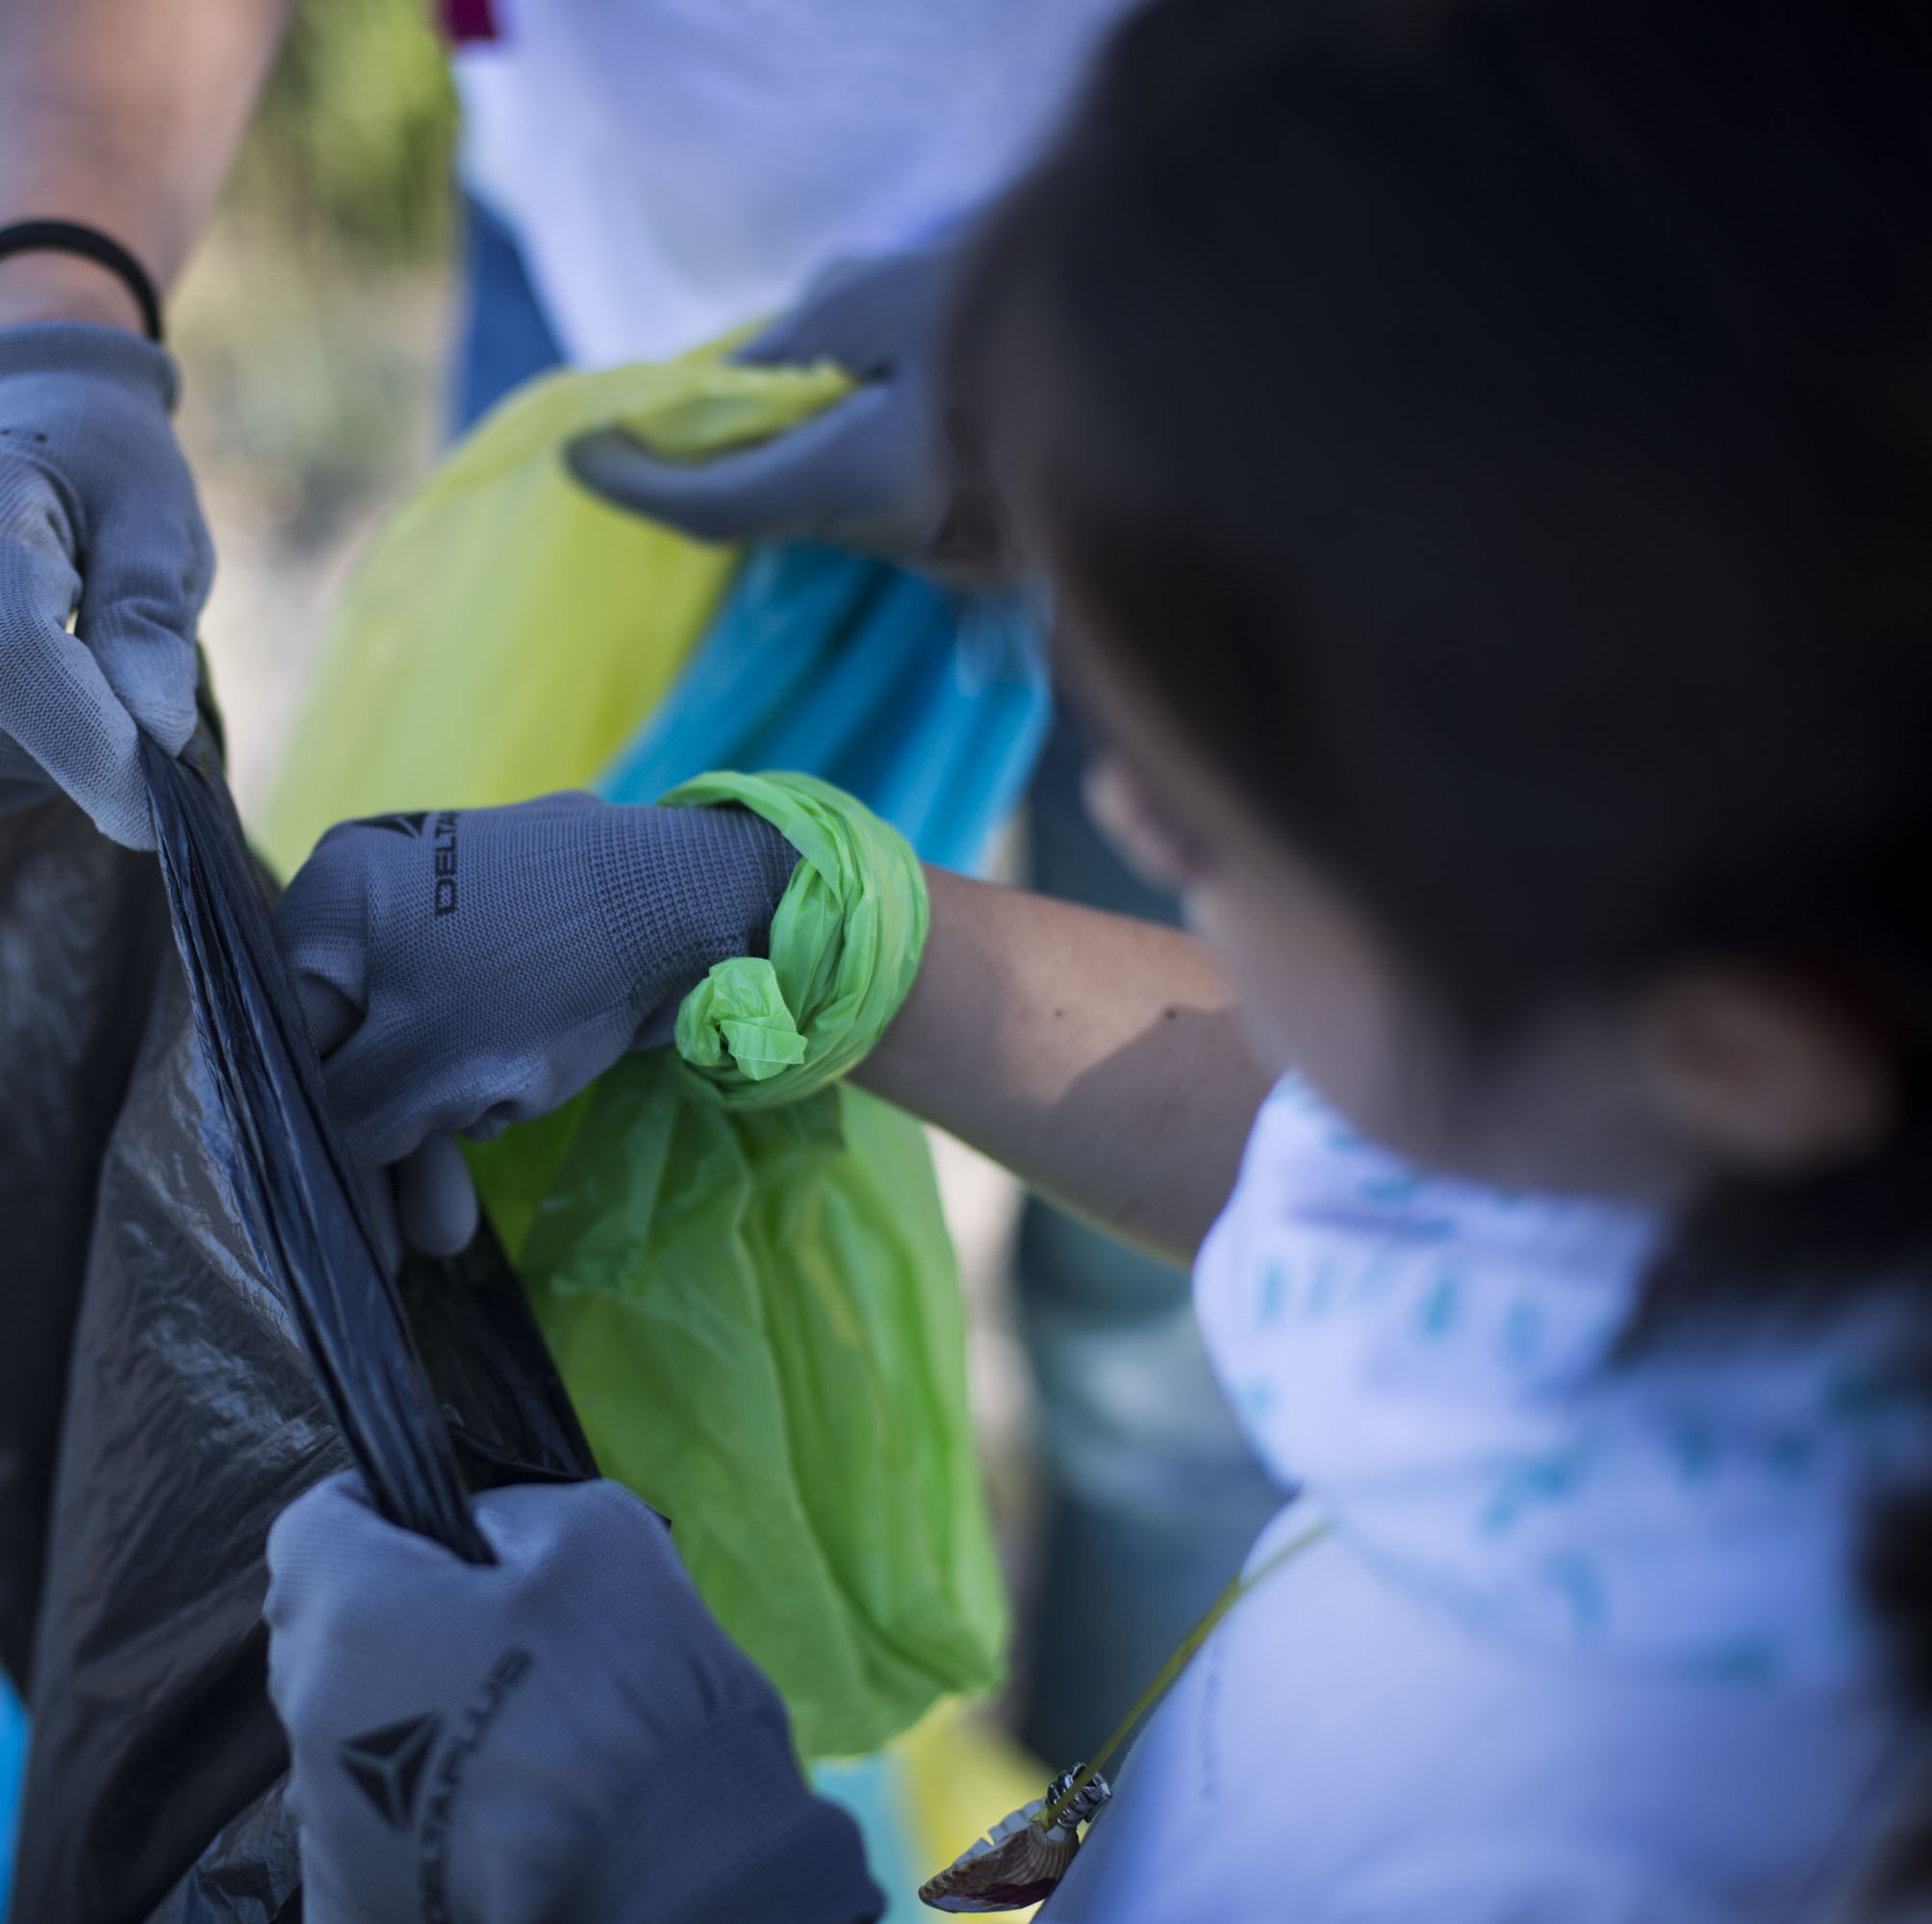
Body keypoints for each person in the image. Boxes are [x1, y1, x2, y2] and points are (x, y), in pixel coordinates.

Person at [257, 0, 1932, 1915]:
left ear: (1751, 1046)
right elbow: (1386, 1164)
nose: (1125, 814)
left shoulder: (1639, 1850)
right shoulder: (1723, 1183)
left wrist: (691, 1870)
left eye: (1221, 832)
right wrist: (781, 915)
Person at [0, 0, 1270, 1785]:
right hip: (607, 264)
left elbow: (1351, 1158)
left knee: (1185, 1347)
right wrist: (41, 322)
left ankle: (1146, 1827)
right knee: (507, 1200)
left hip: (1298, 342)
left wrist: (1146, 305)